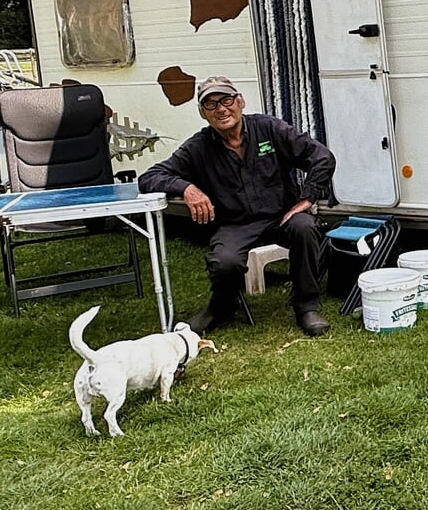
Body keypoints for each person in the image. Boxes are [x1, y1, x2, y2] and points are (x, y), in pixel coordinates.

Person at [140, 75, 338, 336]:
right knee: (224, 261)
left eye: (226, 100)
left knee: (305, 228)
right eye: (210, 105)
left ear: (240, 101)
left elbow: (322, 157)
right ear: (203, 113)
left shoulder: (269, 129)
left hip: (282, 215)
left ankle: (306, 307)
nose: (221, 109)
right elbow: (149, 177)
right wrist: (187, 188)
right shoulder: (198, 148)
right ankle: (221, 307)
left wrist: (307, 198)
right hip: (235, 224)